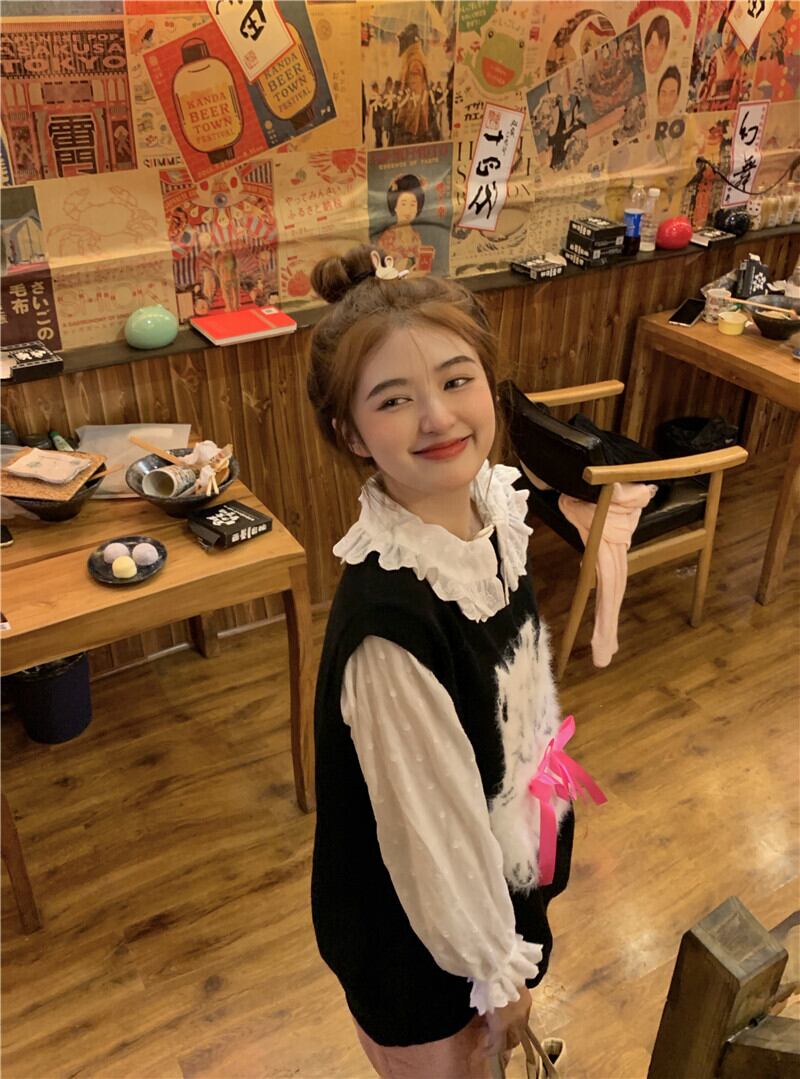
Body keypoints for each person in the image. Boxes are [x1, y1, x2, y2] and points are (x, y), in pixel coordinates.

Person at [308, 244, 600, 1078]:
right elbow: (429, 834)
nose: (437, 417)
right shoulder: (390, 625)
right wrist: (494, 970)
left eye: (456, 379)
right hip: (422, 942)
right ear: (350, 431)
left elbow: (519, 689)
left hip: (495, 875)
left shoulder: (490, 512)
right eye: (394, 399)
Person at [377, 173, 431, 272]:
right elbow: (383, 267)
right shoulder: (387, 237)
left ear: (417, 208)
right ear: (395, 206)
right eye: (403, 204)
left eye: (412, 205)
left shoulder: (416, 236)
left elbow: (419, 266)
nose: (408, 210)